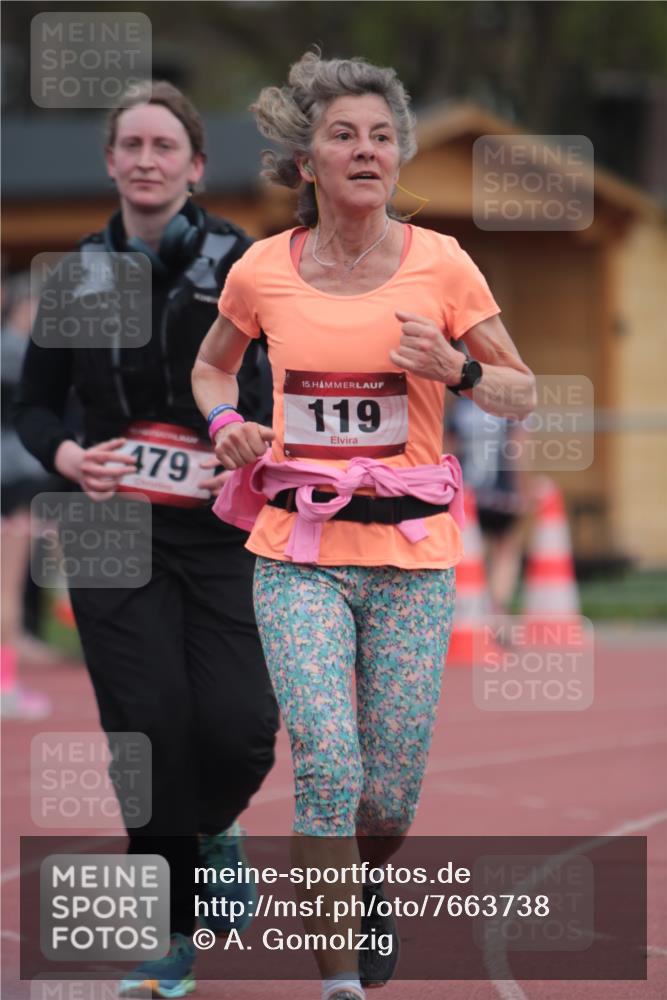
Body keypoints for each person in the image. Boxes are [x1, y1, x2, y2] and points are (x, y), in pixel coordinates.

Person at [192, 50, 536, 1000]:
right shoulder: (263, 269)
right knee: (327, 765)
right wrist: (227, 424)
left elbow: (521, 391)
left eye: (381, 136)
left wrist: (457, 370)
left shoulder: (441, 262)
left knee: (387, 792)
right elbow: (214, 367)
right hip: (296, 551)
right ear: (307, 160)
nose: (365, 150)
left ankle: (369, 880)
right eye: (343, 134)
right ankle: (336, 979)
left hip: (412, 557)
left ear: (398, 157)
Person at [15, 81, 279, 999]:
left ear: (195, 165)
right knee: (146, 724)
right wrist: (66, 454)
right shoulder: (80, 274)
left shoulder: (239, 265)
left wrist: (241, 453)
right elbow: (36, 401)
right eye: (130, 144)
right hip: (108, 524)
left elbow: (273, 394)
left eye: (164, 145)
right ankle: (170, 930)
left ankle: (211, 834)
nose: (146, 159)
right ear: (111, 162)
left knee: (243, 730)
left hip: (217, 528)